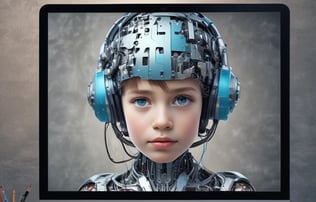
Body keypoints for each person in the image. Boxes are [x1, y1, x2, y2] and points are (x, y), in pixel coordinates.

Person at [79, 12, 255, 192]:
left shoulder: (232, 190)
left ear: (211, 103)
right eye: (141, 101)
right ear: (112, 104)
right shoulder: (97, 190)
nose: (162, 122)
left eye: (181, 99)